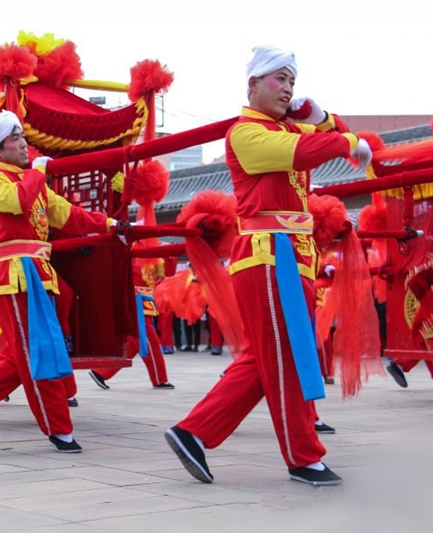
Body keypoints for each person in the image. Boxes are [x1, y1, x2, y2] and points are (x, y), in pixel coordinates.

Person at [164, 45, 372, 486]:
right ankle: (303, 457)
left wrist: (320, 114)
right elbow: (306, 152)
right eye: (279, 79)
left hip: (289, 257)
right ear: (253, 84)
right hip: (269, 256)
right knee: (288, 355)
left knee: (270, 355)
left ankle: (194, 433)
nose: (288, 88)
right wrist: (347, 140)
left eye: (292, 81)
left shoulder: (285, 128)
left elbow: (324, 137)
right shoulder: (247, 133)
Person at [0, 110, 117, 453]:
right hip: (15, 278)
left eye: (23, 137)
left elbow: (68, 214)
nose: (25, 144)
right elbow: (19, 202)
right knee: (36, 352)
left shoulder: (31, 181)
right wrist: (38, 173)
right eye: (16, 138)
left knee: (22, 354)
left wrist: (109, 224)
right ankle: (58, 429)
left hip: (37, 275)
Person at [89, 255, 174, 390]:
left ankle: (101, 372)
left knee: (134, 342)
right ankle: (160, 379)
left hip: (144, 300)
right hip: (136, 301)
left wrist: (167, 255)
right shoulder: (134, 248)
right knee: (149, 339)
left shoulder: (153, 251)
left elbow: (168, 273)